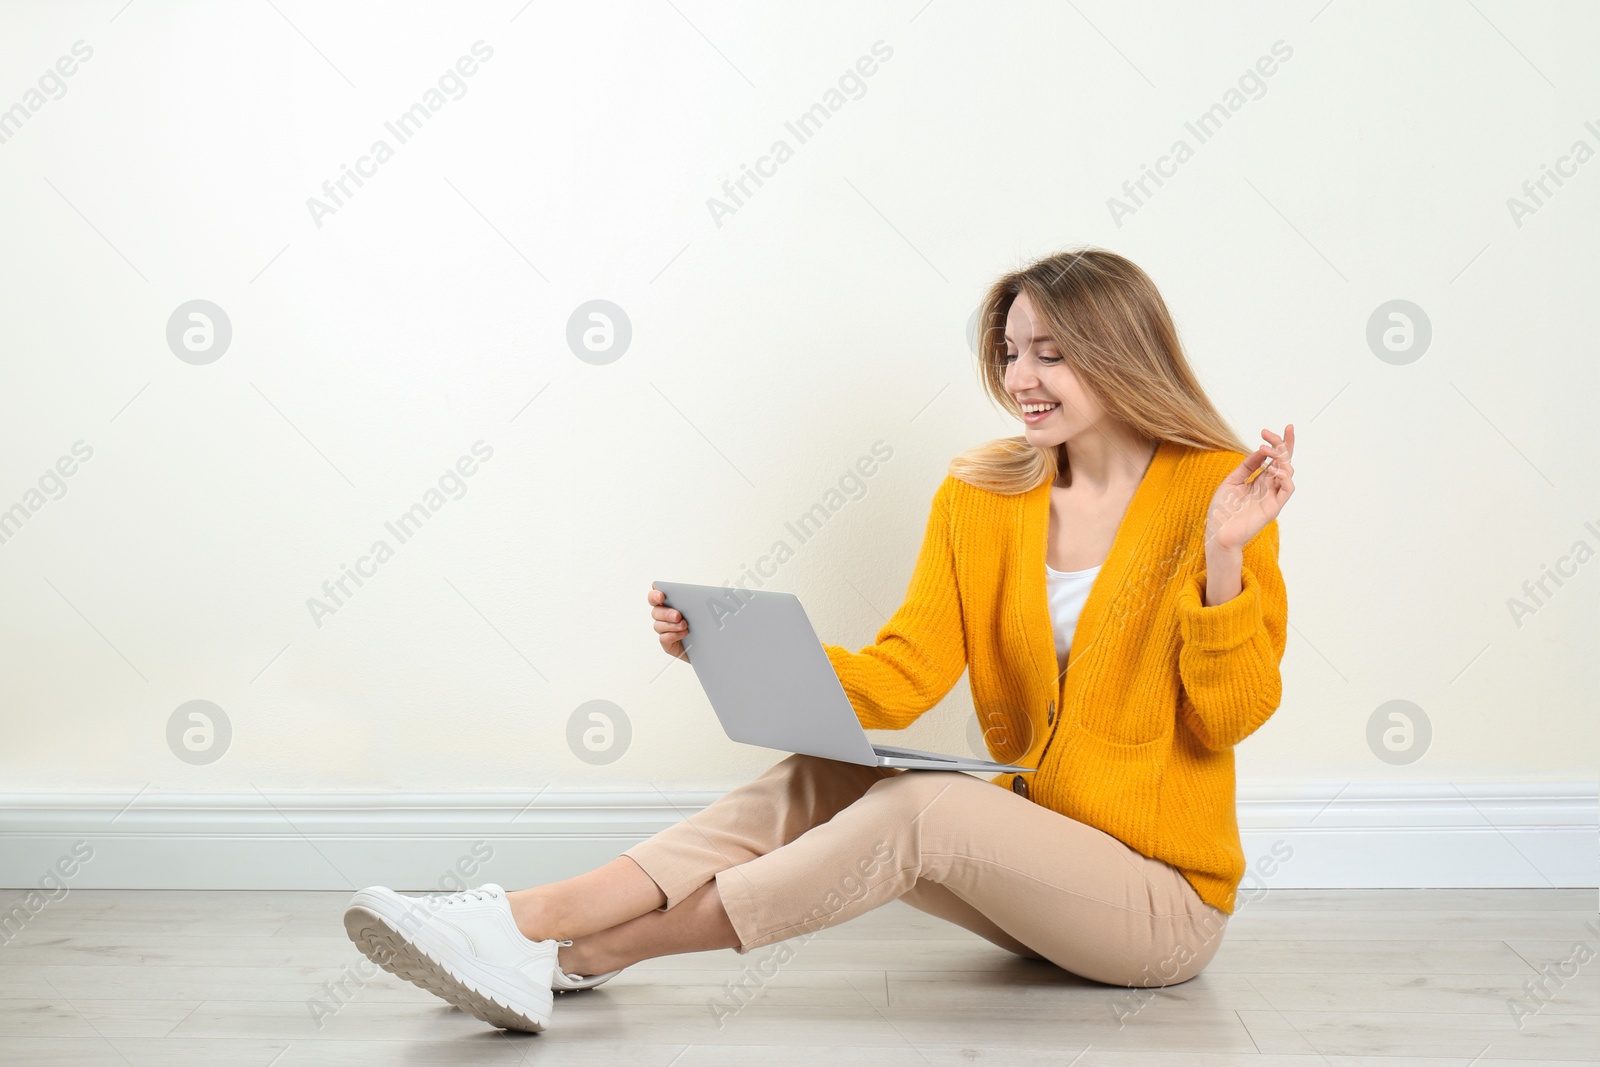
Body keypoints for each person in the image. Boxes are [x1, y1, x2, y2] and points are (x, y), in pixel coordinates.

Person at [342, 247, 1295, 1033]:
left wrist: (1222, 561)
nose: (1021, 380)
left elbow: (1231, 715)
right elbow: (904, 672)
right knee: (820, 773)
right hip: (1035, 867)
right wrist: (728, 647)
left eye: (1050, 353)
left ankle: (564, 942)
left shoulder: (1219, 494)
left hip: (1161, 909)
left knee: (930, 807)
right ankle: (530, 929)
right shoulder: (983, 494)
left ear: (1120, 352)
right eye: (1009, 353)